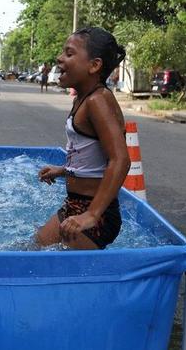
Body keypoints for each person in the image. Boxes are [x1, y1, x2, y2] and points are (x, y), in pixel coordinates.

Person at [35, 27, 130, 250]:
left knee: (40, 263)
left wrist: (92, 215)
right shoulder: (83, 98)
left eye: (69, 53)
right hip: (76, 204)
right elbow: (91, 156)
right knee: (33, 249)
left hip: (97, 213)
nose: (59, 58)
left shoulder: (98, 100)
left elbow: (120, 160)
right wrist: (63, 170)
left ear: (94, 65)